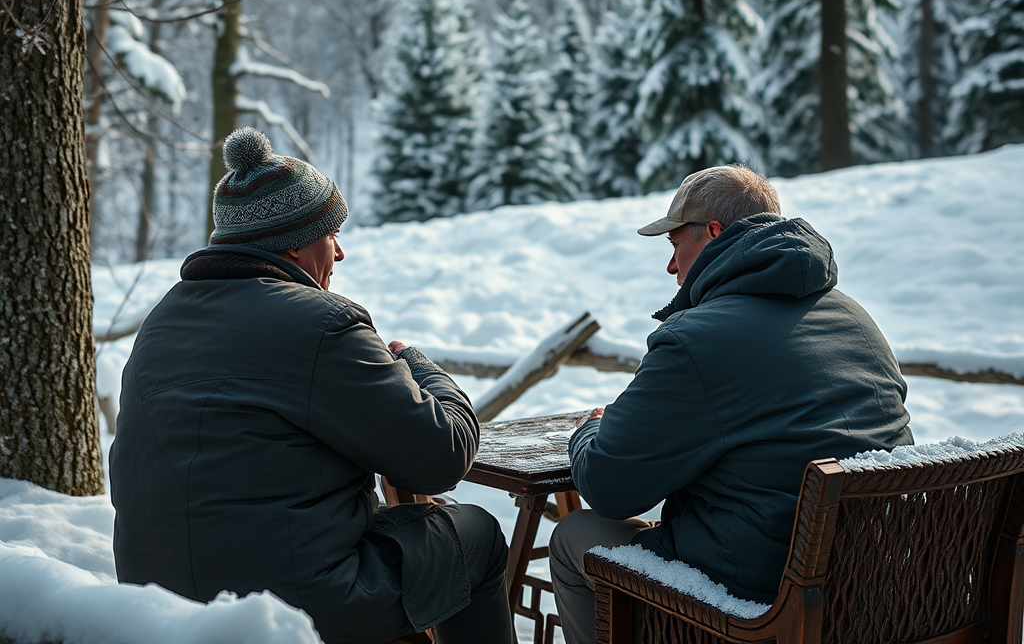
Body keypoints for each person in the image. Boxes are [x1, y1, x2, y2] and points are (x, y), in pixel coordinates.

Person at [109, 127, 516, 644]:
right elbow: (441, 457)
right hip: (287, 606)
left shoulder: (161, 322)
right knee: (474, 535)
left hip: (156, 600)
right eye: (331, 234)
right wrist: (417, 365)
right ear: (296, 247)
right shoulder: (322, 324)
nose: (339, 253)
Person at [549, 164, 913, 644]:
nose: (672, 266)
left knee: (574, 535)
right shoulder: (854, 316)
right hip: (884, 581)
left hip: (755, 602)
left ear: (714, 233)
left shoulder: (697, 340)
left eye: (675, 245)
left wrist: (590, 431)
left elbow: (611, 487)